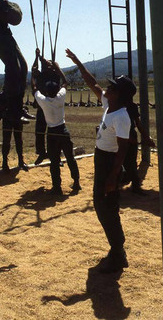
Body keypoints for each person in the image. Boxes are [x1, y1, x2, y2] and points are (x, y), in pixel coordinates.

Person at [66, 48, 135, 273]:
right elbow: (92, 82)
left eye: (112, 87)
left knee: (107, 209)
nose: (107, 88)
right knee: (101, 207)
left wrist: (113, 178)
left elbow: (122, 151)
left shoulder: (122, 116)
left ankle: (118, 253)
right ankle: (117, 250)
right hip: (101, 160)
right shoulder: (109, 106)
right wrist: (77, 61)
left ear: (119, 94)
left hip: (110, 164)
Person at [31, 57, 81, 196]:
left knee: (54, 162)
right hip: (63, 130)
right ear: (57, 90)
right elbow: (65, 82)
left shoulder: (44, 101)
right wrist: (58, 69)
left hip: (52, 133)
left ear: (46, 92)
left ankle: (57, 187)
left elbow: (34, 88)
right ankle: (76, 182)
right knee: (70, 158)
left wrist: (32, 76)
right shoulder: (61, 97)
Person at [31, 48, 61, 165]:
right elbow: (33, 70)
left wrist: (40, 58)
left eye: (49, 64)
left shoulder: (55, 74)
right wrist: (36, 57)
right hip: (42, 107)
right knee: (39, 131)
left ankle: (56, 157)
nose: (47, 66)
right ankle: (41, 153)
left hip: (53, 108)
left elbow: (54, 65)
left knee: (54, 132)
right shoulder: (41, 75)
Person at [123, 98, 155, 194]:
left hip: (129, 134)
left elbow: (138, 123)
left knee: (131, 161)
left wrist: (146, 138)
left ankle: (135, 185)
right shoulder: (119, 104)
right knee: (125, 161)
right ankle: (129, 181)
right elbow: (138, 123)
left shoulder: (131, 106)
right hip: (121, 134)